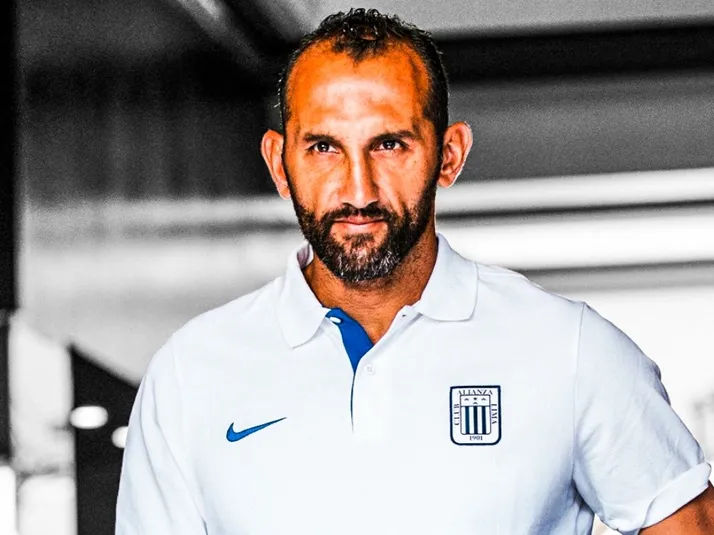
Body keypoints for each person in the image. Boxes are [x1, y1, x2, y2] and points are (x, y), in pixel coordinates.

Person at [115, 8, 714, 535]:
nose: (357, 189)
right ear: (279, 163)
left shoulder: (571, 349)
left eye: (390, 145)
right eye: (324, 147)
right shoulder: (190, 375)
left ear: (448, 155)